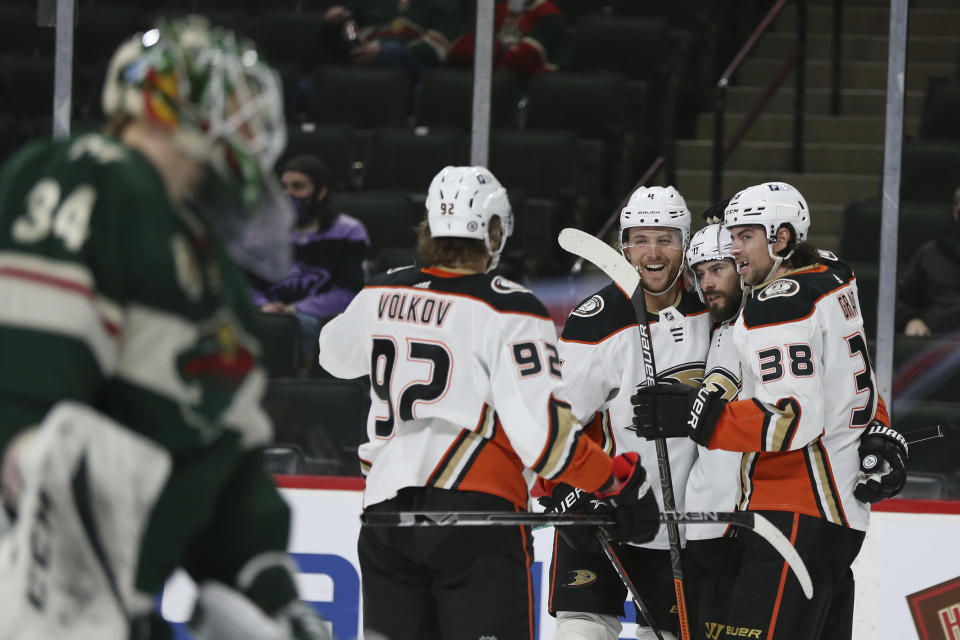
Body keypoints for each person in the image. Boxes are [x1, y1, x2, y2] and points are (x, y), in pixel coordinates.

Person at [0, 16, 330, 639]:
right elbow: (23, 391)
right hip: (36, 593)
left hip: (121, 607)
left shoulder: (210, 265)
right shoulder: (83, 174)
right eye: (229, 99)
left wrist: (275, 597)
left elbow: (222, 461)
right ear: (169, 98)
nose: (247, 120)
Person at [316, 165, 659, 640]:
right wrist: (614, 481)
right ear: (495, 230)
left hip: (385, 518)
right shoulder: (509, 307)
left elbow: (332, 356)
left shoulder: (381, 292)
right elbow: (545, 442)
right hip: (477, 518)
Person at [633, 182, 909, 640]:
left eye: (744, 237)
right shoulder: (836, 274)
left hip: (795, 511)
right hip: (841, 515)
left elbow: (793, 418)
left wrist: (700, 418)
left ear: (780, 239)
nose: (733, 248)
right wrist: (878, 422)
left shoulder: (776, 305)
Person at [545, 185, 712, 640]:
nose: (652, 252)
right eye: (640, 240)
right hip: (606, 507)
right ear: (622, 247)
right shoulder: (597, 319)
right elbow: (553, 420)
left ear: (686, 242)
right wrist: (562, 486)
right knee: (580, 632)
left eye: (666, 239)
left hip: (687, 526)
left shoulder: (717, 311)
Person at [681, 223, 746, 640]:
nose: (706, 283)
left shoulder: (762, 327)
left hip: (738, 527)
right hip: (704, 526)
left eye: (717, 270)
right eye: (699, 272)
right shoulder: (711, 326)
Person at [249, 154, 369, 364]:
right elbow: (245, 283)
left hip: (316, 320)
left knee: (301, 326)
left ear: (321, 192)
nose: (288, 194)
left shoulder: (349, 231)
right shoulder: (264, 231)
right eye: (284, 187)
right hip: (265, 315)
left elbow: (349, 292)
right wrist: (263, 307)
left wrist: (295, 310)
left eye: (298, 187)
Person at [321, 0, 465, 82]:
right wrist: (335, 24)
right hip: (362, 60)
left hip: (414, 70)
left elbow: (439, 47)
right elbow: (349, 30)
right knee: (306, 88)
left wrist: (381, 52)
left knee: (391, 51)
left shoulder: (442, 4)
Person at [896, 185, 960, 336]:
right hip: (937, 344)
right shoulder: (932, 253)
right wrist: (911, 320)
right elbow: (901, 300)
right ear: (956, 212)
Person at [448, 0, 566, 76]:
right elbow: (459, 50)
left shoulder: (549, 15)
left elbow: (526, 59)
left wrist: (486, 55)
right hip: (493, 80)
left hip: (531, 89)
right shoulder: (498, 9)